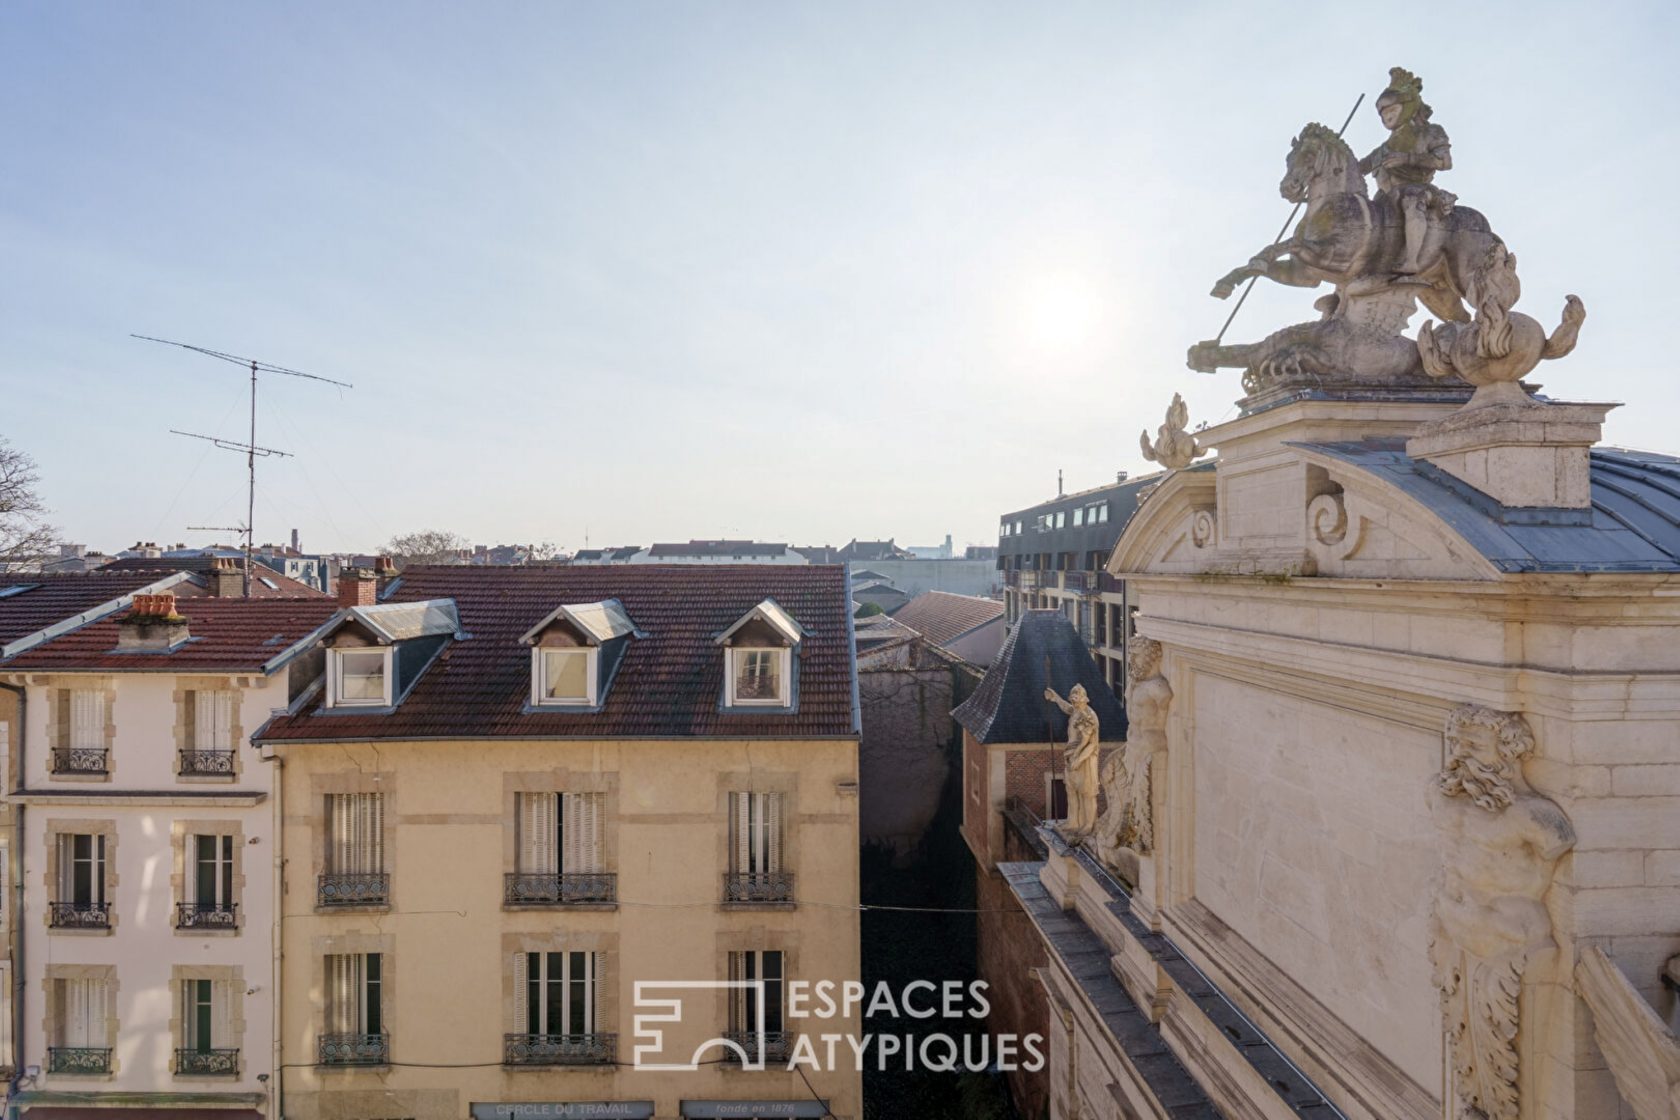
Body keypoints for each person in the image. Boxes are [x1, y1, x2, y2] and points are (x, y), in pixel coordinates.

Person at [1358, 67, 1454, 275]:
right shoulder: (1382, 150)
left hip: (1418, 191)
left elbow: (1445, 162)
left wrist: (1408, 158)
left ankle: (1411, 260)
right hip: (1385, 197)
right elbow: (1358, 168)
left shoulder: (1430, 132)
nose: (1387, 118)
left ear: (1407, 108)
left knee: (1411, 203)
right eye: (1383, 114)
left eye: (1392, 111)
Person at [1043, 683, 1101, 837]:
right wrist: (1055, 698)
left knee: (1087, 793)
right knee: (1071, 790)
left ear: (1084, 700)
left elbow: (1092, 745)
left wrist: (1079, 760)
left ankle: (1089, 824)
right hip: (1071, 756)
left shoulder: (1090, 716)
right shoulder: (1076, 710)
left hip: (1085, 761)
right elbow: (1067, 708)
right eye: (1073, 701)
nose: (1075, 704)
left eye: (1077, 701)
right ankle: (1073, 821)